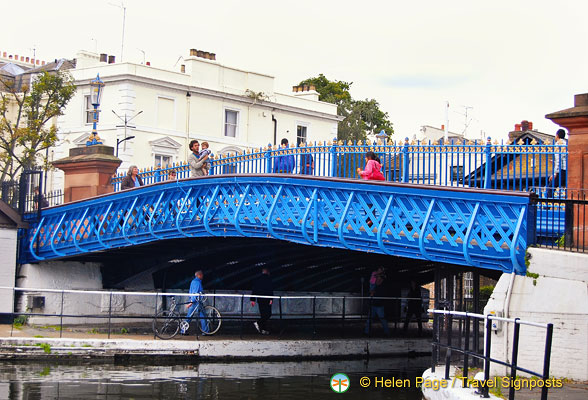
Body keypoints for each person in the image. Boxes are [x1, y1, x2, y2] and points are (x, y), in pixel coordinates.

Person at [182, 270, 208, 334]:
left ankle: (183, 330)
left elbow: (191, 292)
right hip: (196, 302)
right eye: (202, 275)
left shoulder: (193, 281)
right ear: (199, 275)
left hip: (194, 301)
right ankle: (205, 331)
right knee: (203, 317)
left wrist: (191, 301)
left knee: (189, 316)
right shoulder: (197, 282)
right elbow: (195, 293)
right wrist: (191, 302)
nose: (202, 276)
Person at [250, 268, 274, 335]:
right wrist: (271, 299)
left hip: (260, 299)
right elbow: (270, 289)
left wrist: (253, 299)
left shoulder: (258, 279)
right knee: (268, 314)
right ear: (267, 272)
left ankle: (262, 328)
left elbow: (254, 289)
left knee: (263, 314)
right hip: (267, 299)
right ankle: (261, 326)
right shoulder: (269, 279)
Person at [547, 129, 567, 198]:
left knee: (550, 188)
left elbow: (559, 159)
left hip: (561, 170)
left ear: (557, 135)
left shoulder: (558, 144)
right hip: (567, 169)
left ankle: (547, 206)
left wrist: (555, 173)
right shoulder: (566, 143)